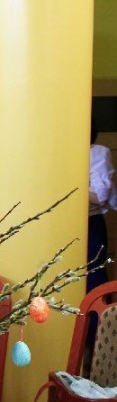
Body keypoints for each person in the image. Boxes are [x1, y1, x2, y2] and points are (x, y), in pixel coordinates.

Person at [88, 116, 115, 292]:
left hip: (90, 223)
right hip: (59, 223)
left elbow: (100, 197)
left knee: (93, 276)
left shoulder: (96, 152)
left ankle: (94, 320)